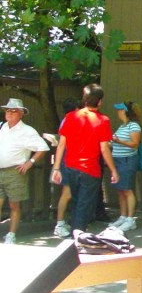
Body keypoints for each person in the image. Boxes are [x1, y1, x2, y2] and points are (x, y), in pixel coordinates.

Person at [51, 83, 119, 233]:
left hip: (70, 167)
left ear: (84, 99)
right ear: (100, 101)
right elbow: (104, 148)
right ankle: (77, 238)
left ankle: (75, 235)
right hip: (90, 170)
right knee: (85, 206)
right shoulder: (103, 120)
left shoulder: (70, 117)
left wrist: (56, 168)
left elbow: (61, 145)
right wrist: (113, 170)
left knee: (77, 203)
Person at [0, 98, 50, 244]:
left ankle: (11, 234)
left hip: (15, 172)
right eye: (7, 110)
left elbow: (43, 148)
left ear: (21, 113)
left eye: (13, 110)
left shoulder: (27, 131)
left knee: (14, 205)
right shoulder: (2, 126)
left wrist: (30, 162)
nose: (9, 113)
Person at [109, 100, 142, 231]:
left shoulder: (134, 126)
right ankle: (122, 216)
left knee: (127, 189)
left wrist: (118, 141)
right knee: (120, 189)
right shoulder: (122, 126)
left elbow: (135, 144)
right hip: (117, 160)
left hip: (128, 160)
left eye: (120, 109)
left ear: (126, 112)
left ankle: (130, 218)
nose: (118, 112)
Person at [52, 96, 81, 238]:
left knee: (70, 192)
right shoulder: (70, 121)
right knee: (67, 193)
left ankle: (64, 222)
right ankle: (59, 223)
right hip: (68, 159)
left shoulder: (67, 120)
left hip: (69, 159)